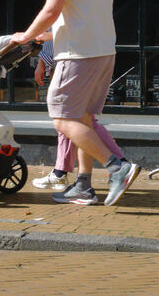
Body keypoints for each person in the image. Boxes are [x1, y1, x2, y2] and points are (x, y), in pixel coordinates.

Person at [11, 0, 140, 206]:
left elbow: (51, 10)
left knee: (62, 118)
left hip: (78, 55)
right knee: (83, 119)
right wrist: (50, 35)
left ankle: (118, 167)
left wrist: (27, 35)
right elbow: (82, 13)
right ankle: (83, 185)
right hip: (103, 52)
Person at [31, 37, 128, 191]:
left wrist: (41, 57)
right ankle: (82, 181)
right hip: (100, 57)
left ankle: (119, 166)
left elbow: (55, 26)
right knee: (81, 119)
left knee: (67, 118)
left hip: (73, 60)